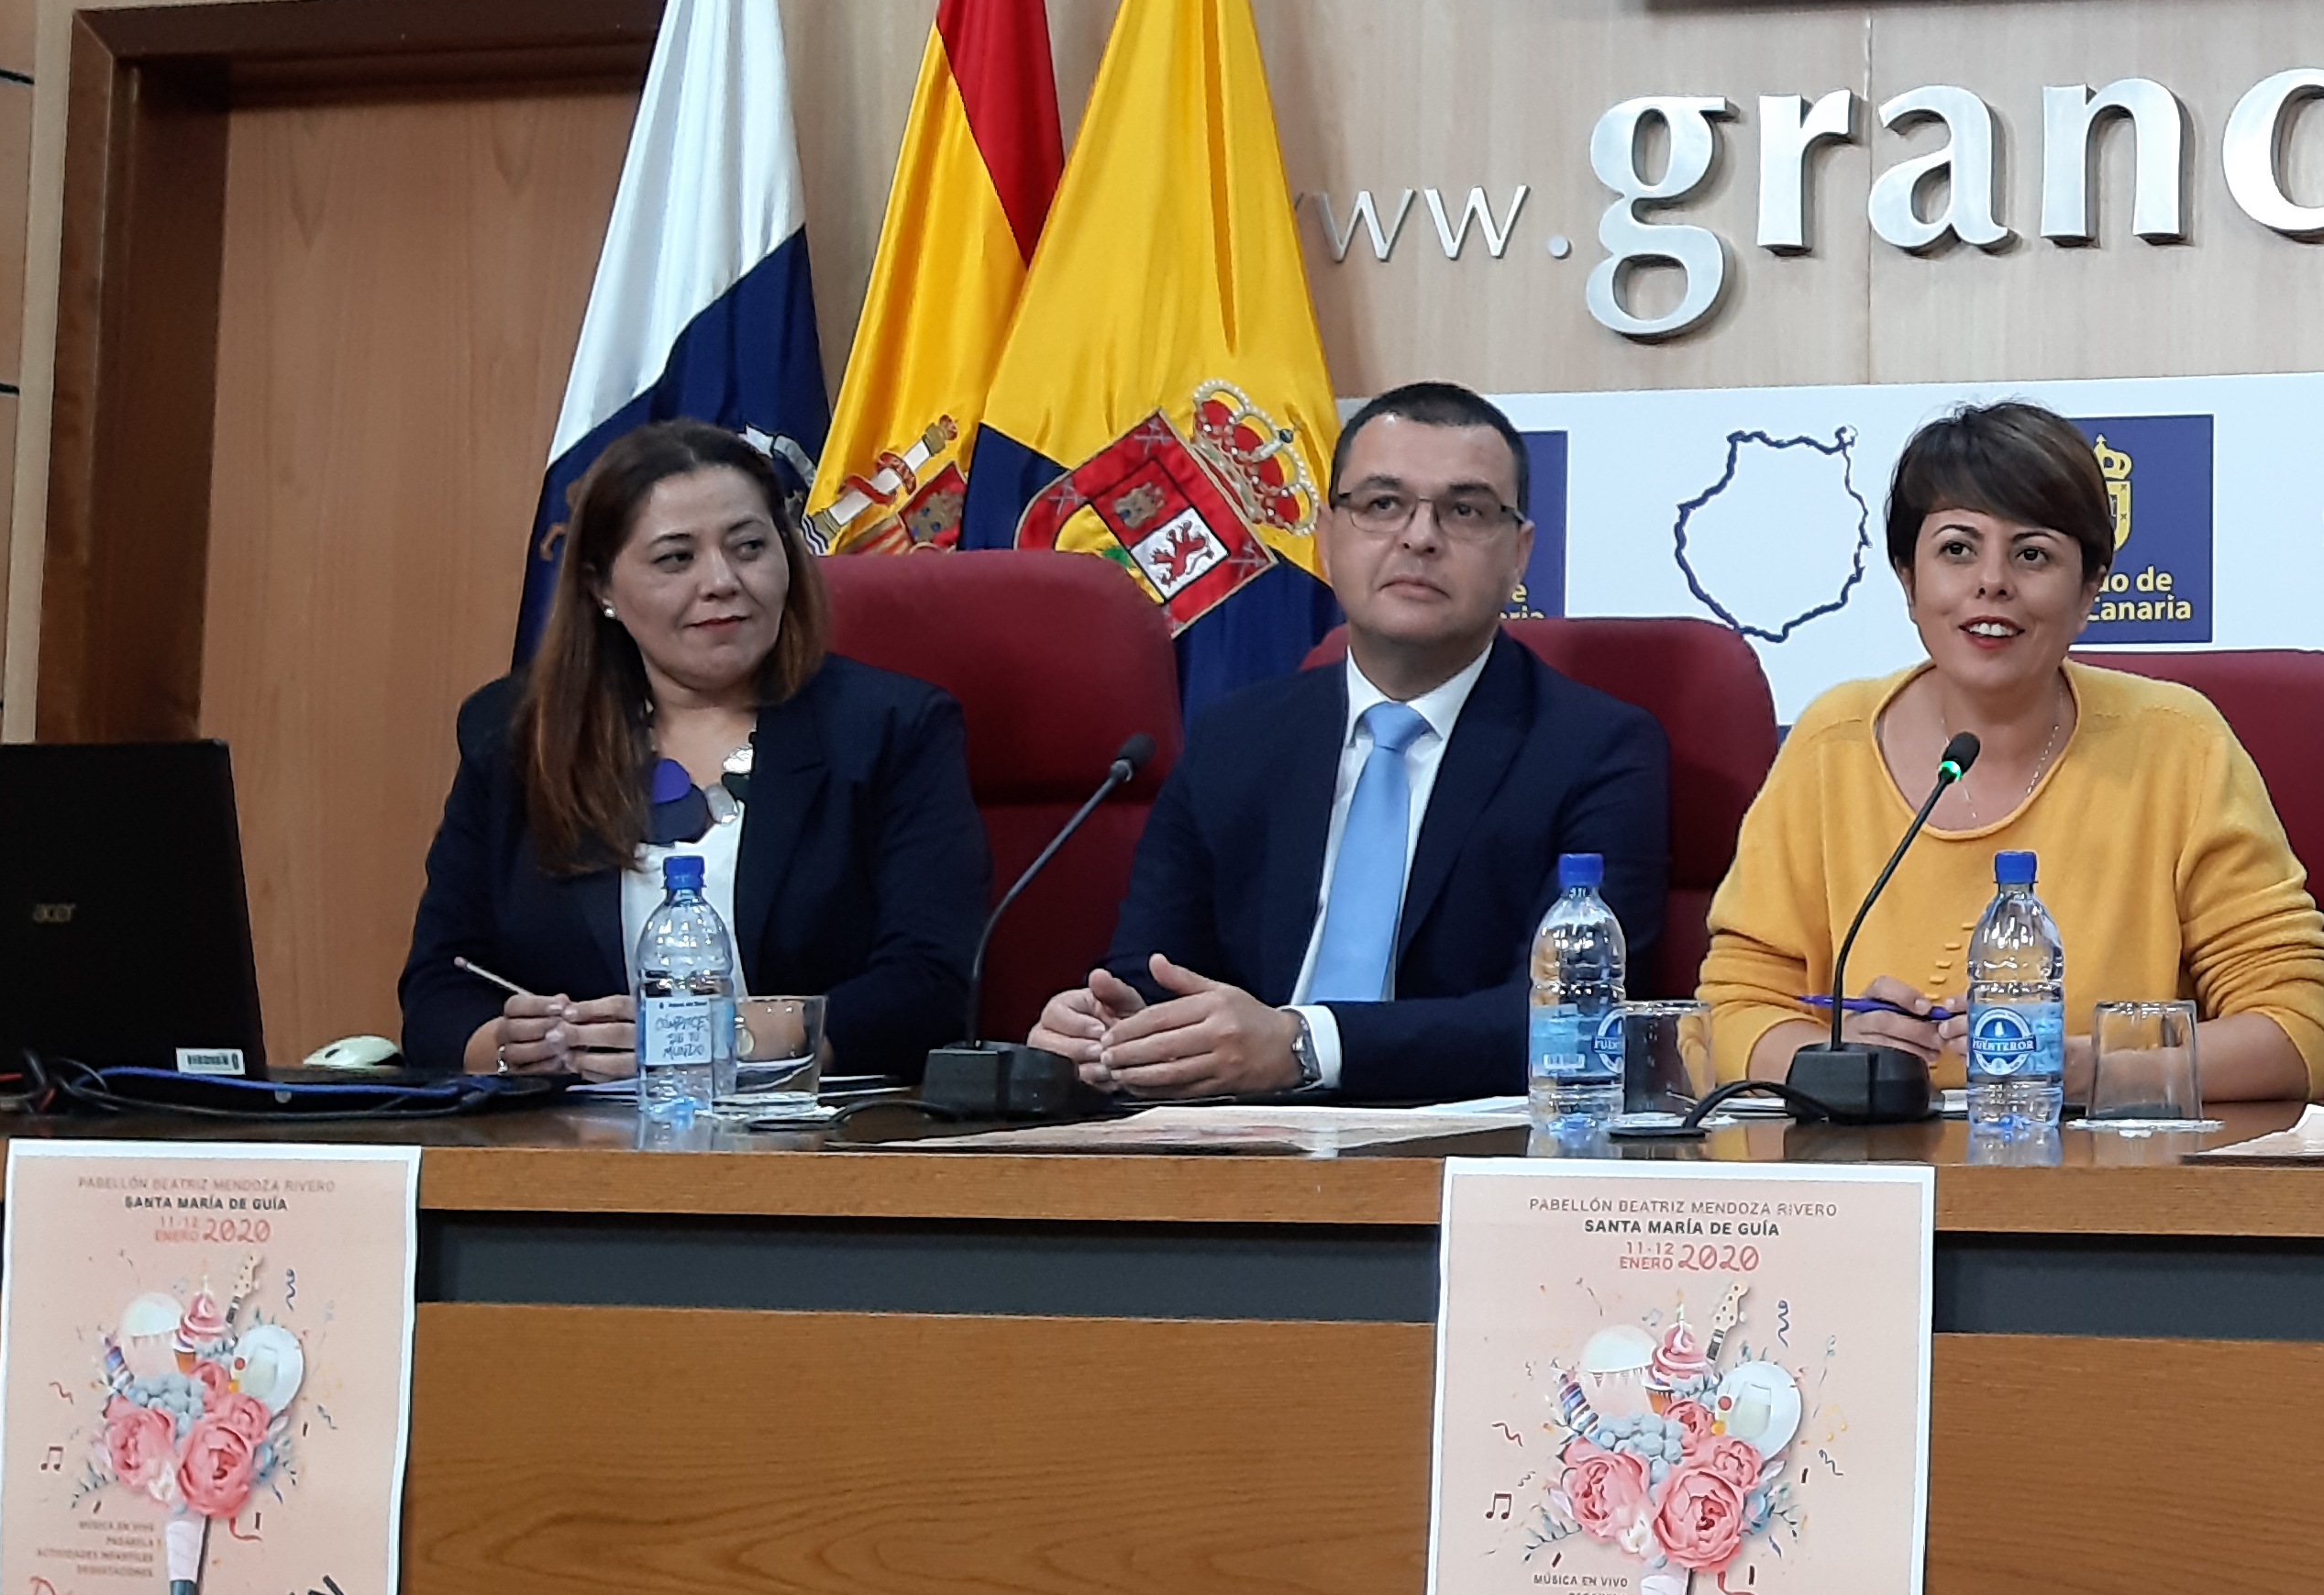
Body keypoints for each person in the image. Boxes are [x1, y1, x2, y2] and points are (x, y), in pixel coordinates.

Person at [1036, 382, 1669, 1102]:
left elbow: (1574, 1016)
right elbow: (1151, 969)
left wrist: (1305, 1045)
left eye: (1464, 510)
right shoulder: (1234, 737)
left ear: (1520, 554)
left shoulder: (1598, 748)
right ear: (1326, 539)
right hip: (1229, 1147)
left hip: (1453, 1151)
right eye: (1381, 504)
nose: (1420, 536)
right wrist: (1111, 1027)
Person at [1706, 400, 2324, 1106]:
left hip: (2109, 1196)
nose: (1992, 582)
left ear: (2089, 590)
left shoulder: (2177, 746)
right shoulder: (1832, 744)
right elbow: (1732, 1008)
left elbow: (2292, 1033)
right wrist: (1837, 1061)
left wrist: (2091, 1070)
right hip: (1872, 1189)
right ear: (1909, 582)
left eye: (2032, 554)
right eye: (1956, 549)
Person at [397, 419, 988, 1075]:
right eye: (676, 558)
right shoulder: (513, 735)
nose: (722, 581)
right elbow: (440, 987)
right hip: (571, 1140)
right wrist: (511, 1047)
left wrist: (723, 1041)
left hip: (819, 1140)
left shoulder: (891, 728)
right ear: (600, 588)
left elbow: (930, 984)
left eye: (749, 547)